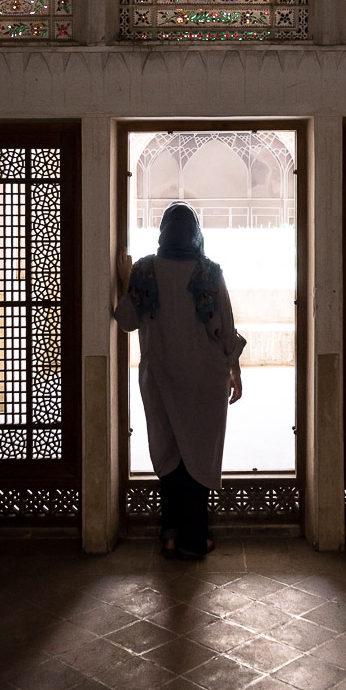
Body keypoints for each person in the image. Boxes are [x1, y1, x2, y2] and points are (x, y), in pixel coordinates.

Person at [115, 201, 245, 558]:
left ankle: (170, 534)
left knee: (168, 453)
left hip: (159, 380)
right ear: (196, 233)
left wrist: (125, 281)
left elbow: (126, 320)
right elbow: (226, 329)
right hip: (205, 380)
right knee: (199, 455)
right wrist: (234, 371)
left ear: (163, 232)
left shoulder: (143, 271)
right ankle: (195, 538)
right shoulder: (208, 272)